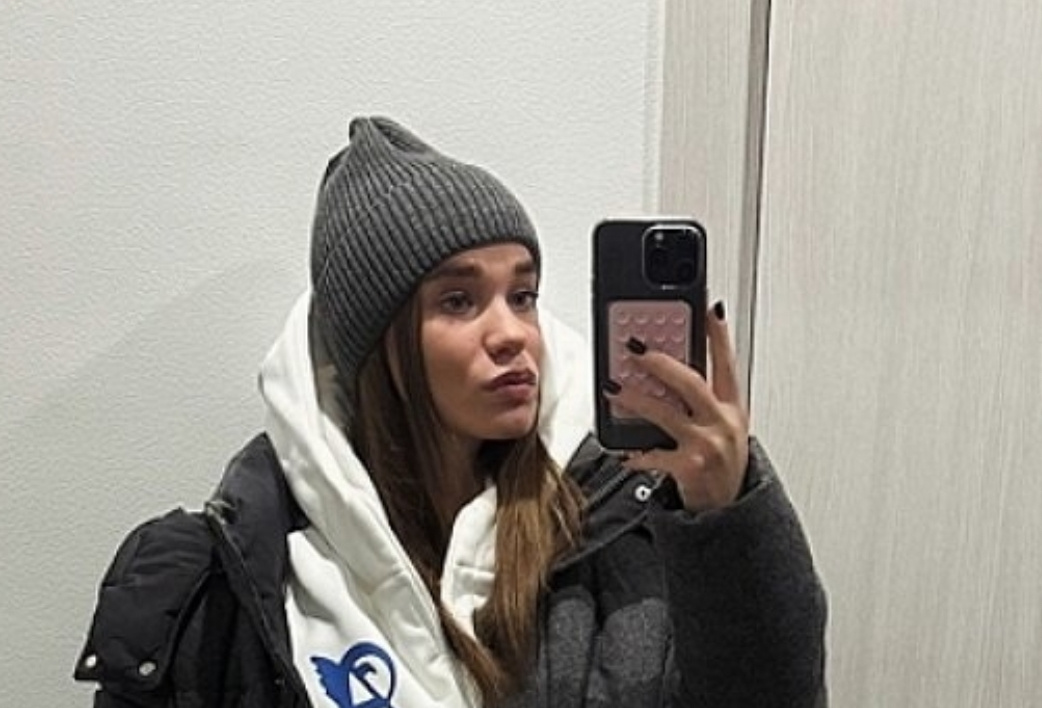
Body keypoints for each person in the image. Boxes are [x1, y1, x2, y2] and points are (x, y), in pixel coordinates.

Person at [74, 116, 827, 708]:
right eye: (459, 301)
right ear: (378, 347)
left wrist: (725, 519)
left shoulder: (612, 528)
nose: (513, 333)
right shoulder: (233, 581)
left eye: (523, 295)